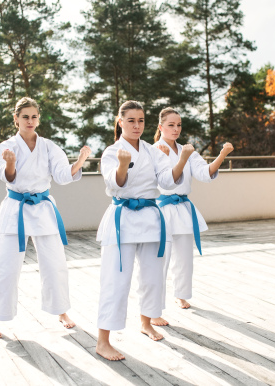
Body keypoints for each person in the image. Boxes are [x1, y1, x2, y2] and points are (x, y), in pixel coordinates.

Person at [95, 100, 194, 361]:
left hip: (151, 218)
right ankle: (103, 340)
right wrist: (121, 166)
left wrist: (182, 160)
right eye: (131, 120)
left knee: (152, 277)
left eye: (140, 121)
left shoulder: (153, 151)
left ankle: (146, 321)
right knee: (116, 280)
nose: (137, 125)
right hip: (122, 219)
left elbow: (166, 180)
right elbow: (113, 185)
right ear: (120, 122)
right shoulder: (112, 151)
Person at [0, 97, 91, 339]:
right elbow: (7, 177)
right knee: (5, 266)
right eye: (25, 116)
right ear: (16, 119)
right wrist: (11, 163)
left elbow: (63, 175)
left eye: (34, 116)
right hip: (16, 207)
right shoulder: (6, 146)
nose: (30, 121)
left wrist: (80, 161)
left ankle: (61, 311)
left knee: (55, 264)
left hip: (43, 207)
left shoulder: (49, 147)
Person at [150, 107, 234, 327]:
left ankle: (181, 293)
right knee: (160, 260)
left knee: (185, 258)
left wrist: (222, 155)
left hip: (184, 209)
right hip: (162, 209)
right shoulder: (153, 151)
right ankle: (154, 309)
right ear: (161, 127)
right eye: (171, 125)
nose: (176, 129)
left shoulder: (188, 151)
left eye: (178, 125)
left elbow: (205, 173)